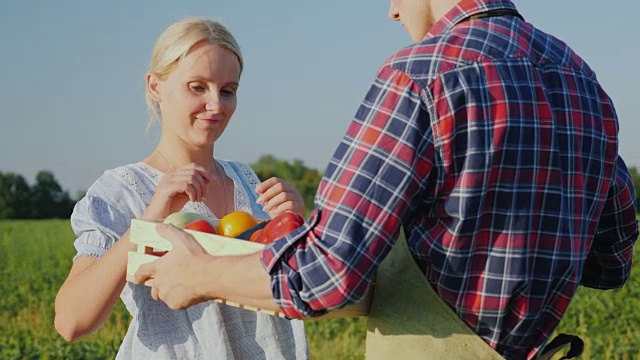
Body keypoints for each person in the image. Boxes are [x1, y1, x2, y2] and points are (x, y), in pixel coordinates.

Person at [132, 1, 639, 359]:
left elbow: (327, 274)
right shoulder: (580, 78)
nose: (393, 11)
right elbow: (611, 260)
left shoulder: (421, 73)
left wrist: (197, 275)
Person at [54, 17, 309, 359]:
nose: (216, 105)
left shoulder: (251, 184)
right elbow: (71, 321)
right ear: (155, 87)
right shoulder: (123, 190)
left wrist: (296, 229)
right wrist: (149, 221)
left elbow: (293, 288)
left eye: (227, 90)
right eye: (197, 86)